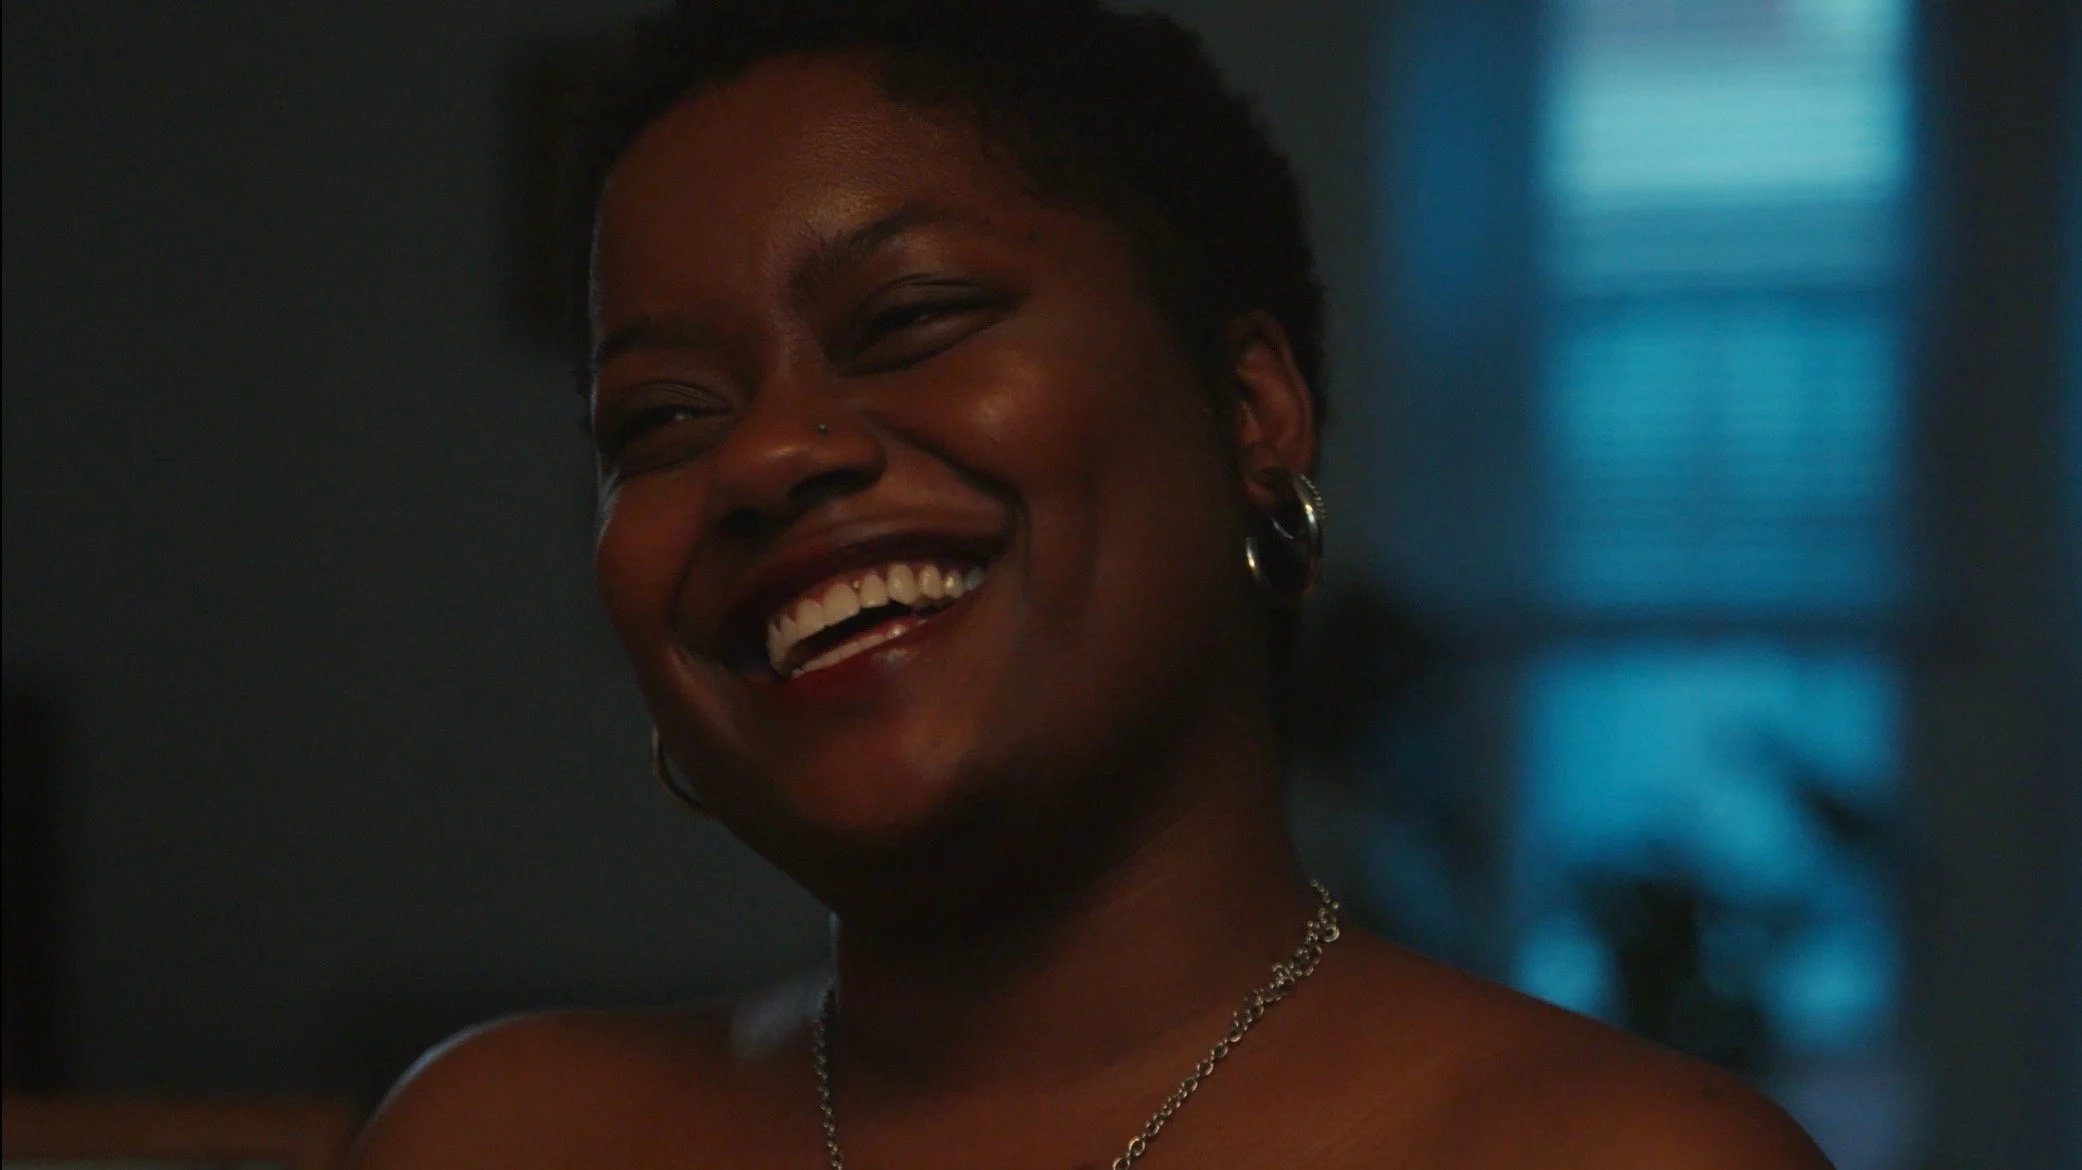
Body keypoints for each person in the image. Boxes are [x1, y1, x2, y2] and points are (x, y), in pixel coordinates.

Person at [350, 2, 1833, 1166]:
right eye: (660, 420)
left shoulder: (1622, 1156)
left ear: (1251, 415)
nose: (763, 456)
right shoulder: (492, 1135)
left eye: (911, 316)